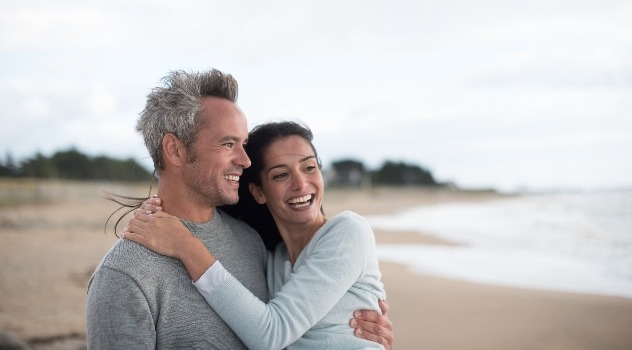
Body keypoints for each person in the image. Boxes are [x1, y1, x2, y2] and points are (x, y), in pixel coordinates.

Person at [87, 69, 392, 349]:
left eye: (244, 144)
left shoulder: (252, 245)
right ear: (175, 150)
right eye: (228, 144)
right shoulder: (125, 274)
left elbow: (283, 328)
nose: (245, 161)